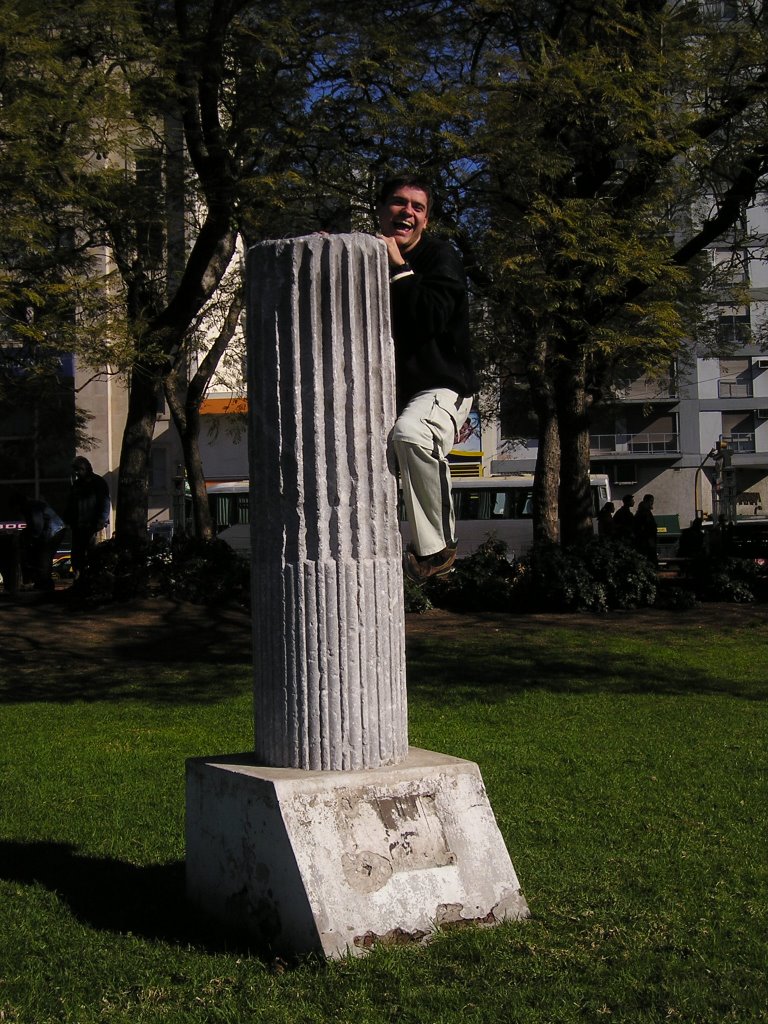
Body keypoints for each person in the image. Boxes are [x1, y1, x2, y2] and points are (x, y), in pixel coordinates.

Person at [377, 173, 476, 582]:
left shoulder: (440, 257)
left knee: (411, 434)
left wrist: (399, 267)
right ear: (382, 210)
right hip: (385, 389)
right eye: (399, 203)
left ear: (426, 220)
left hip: (442, 385)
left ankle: (436, 549)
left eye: (418, 207)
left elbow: (430, 318)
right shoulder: (368, 254)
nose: (408, 212)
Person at [64, 456, 111, 580]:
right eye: (75, 470)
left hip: (92, 525)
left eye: (78, 470)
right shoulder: (77, 485)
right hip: (79, 526)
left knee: (92, 553)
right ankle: (79, 578)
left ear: (85, 468)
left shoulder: (98, 482)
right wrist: (68, 519)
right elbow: (71, 504)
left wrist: (101, 520)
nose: (76, 473)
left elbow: (105, 502)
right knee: (77, 555)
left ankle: (94, 579)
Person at [21, 497, 65, 591]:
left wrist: (32, 539)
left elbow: (37, 525)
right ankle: (45, 585)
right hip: (57, 530)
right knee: (45, 559)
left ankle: (44, 586)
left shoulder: (30, 508)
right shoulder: (34, 505)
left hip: (53, 532)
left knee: (43, 559)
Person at [634, 493, 658, 562]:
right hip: (647, 540)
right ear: (648, 501)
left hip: (647, 539)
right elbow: (647, 525)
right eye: (651, 500)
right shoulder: (645, 512)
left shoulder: (643, 511)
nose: (652, 502)